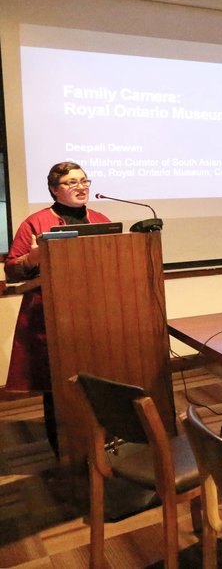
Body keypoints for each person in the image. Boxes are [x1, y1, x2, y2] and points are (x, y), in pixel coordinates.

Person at [4, 161, 111, 455]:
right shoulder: (35, 223)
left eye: (84, 180)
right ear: (54, 190)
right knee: (58, 386)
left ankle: (104, 443)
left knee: (100, 381)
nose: (81, 186)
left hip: (96, 312)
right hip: (52, 317)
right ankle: (63, 450)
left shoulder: (100, 218)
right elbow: (13, 270)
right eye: (71, 182)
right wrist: (33, 258)